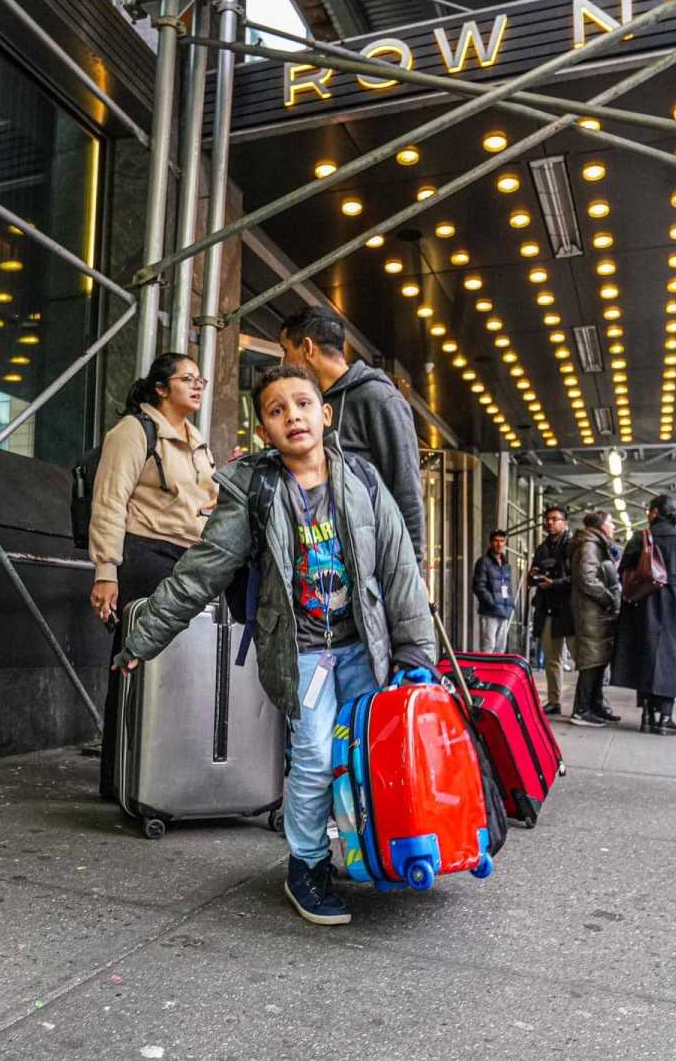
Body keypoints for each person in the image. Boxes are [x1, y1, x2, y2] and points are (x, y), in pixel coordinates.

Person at [115, 364, 433, 927]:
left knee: (367, 756)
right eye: (276, 410)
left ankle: (377, 851)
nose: (293, 417)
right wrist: (143, 636)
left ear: (325, 414)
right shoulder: (255, 490)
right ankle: (307, 866)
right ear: (265, 428)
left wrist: (417, 653)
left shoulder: (362, 479)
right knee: (311, 761)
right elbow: (202, 571)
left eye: (303, 404)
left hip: (365, 648)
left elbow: (400, 567)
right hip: (302, 652)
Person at [88, 352, 217, 799]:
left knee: (179, 671)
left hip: (190, 560)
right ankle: (119, 779)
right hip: (144, 554)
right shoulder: (132, 431)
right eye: (187, 379)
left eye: (201, 379)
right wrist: (107, 570)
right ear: (161, 388)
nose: (198, 385)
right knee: (134, 666)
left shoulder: (196, 440)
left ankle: (164, 773)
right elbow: (108, 501)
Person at [278, 306, 424, 564]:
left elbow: (406, 488)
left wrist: (412, 568)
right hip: (318, 565)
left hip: (372, 563)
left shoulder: (379, 399)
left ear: (308, 348)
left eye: (286, 351)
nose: (283, 363)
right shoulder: (308, 408)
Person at [612, 495, 676, 735]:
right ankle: (665, 718)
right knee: (672, 659)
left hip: (644, 603)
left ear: (655, 512)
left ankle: (647, 716)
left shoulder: (640, 538)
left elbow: (624, 573)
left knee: (646, 655)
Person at [568, 510, 621, 727]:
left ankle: (595, 704)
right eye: (610, 522)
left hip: (597, 612)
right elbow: (587, 578)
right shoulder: (589, 546)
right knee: (591, 661)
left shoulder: (597, 545)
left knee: (598, 660)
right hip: (591, 612)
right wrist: (608, 598)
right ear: (600, 526)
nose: (613, 527)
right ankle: (582, 710)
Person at [528, 505, 575, 716]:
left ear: (565, 522)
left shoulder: (573, 546)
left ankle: (586, 702)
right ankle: (554, 701)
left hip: (570, 608)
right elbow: (532, 575)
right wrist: (534, 575)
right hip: (548, 608)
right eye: (547, 519)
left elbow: (578, 577)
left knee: (582, 659)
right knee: (551, 658)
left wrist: (554, 583)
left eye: (555, 519)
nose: (550, 522)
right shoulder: (541, 548)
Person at [473, 530, 515, 653]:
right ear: (490, 543)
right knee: (488, 646)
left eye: (502, 541)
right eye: (496, 541)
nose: (499, 544)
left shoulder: (506, 565)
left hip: (505, 611)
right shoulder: (484, 562)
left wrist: (510, 604)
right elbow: (478, 586)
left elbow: (508, 586)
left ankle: (497, 673)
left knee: (500, 648)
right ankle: (486, 672)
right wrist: (492, 602)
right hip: (490, 612)